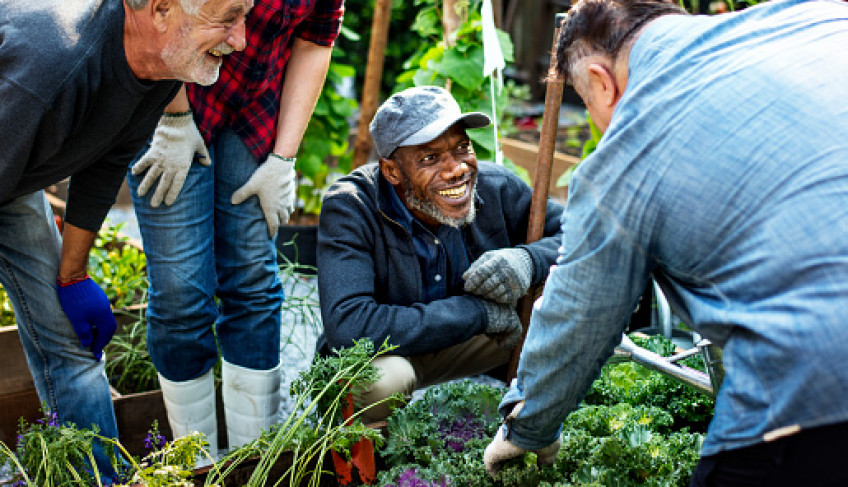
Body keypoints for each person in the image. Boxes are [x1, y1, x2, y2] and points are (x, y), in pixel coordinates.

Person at [482, 0, 848, 485]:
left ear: (600, 80)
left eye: (587, 105)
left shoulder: (626, 155)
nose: (596, 122)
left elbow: (579, 312)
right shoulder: (816, 16)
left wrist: (527, 428)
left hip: (815, 385)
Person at [0, 0, 252, 477]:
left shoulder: (159, 69)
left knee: (68, 341)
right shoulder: (55, 64)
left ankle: (98, 477)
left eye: (245, 18)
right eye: (227, 18)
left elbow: (104, 164)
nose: (241, 39)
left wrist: (72, 278)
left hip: (14, 180)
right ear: (160, 9)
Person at [126, 0, 344, 453]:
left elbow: (315, 41)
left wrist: (284, 158)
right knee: (183, 293)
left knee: (253, 280)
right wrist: (172, 115)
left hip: (253, 110)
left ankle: (252, 457)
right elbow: (156, 15)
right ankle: (194, 459)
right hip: (171, 91)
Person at [315, 85, 566, 422]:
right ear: (391, 171)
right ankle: (373, 465)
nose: (456, 169)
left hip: (472, 343)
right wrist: (477, 314)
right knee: (378, 383)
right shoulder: (351, 208)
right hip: (390, 354)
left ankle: (532, 429)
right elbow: (349, 325)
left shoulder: (496, 187)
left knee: (564, 304)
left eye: (462, 147)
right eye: (430, 158)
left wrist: (528, 260)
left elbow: (582, 234)